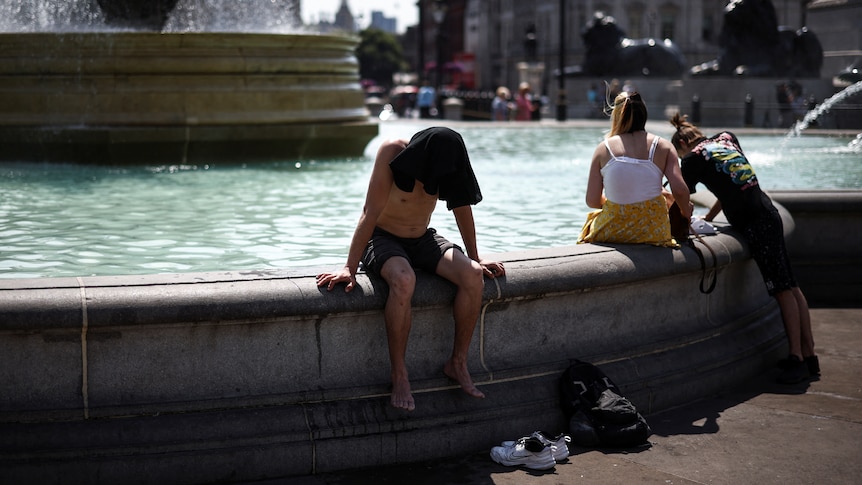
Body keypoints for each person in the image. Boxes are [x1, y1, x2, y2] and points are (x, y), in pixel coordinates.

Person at [316, 127, 506, 411]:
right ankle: (400, 374)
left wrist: (476, 256)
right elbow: (370, 210)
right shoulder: (393, 151)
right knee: (404, 280)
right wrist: (349, 267)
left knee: (472, 275)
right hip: (382, 238)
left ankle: (457, 362)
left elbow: (461, 207)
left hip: (423, 238)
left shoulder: (447, 159)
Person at [669, 113, 818, 384]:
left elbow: (682, 199)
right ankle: (810, 357)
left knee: (782, 290)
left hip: (753, 223)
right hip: (768, 212)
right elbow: (732, 186)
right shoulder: (726, 137)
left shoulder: (692, 160)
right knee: (792, 286)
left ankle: (795, 358)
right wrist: (711, 219)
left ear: (681, 145)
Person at [578, 91, 691, 247]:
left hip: (613, 229)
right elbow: (679, 191)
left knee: (590, 223)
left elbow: (592, 200)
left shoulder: (604, 149)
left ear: (616, 116)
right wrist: (686, 213)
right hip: (654, 230)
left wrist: (620, 204)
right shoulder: (664, 146)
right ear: (644, 114)